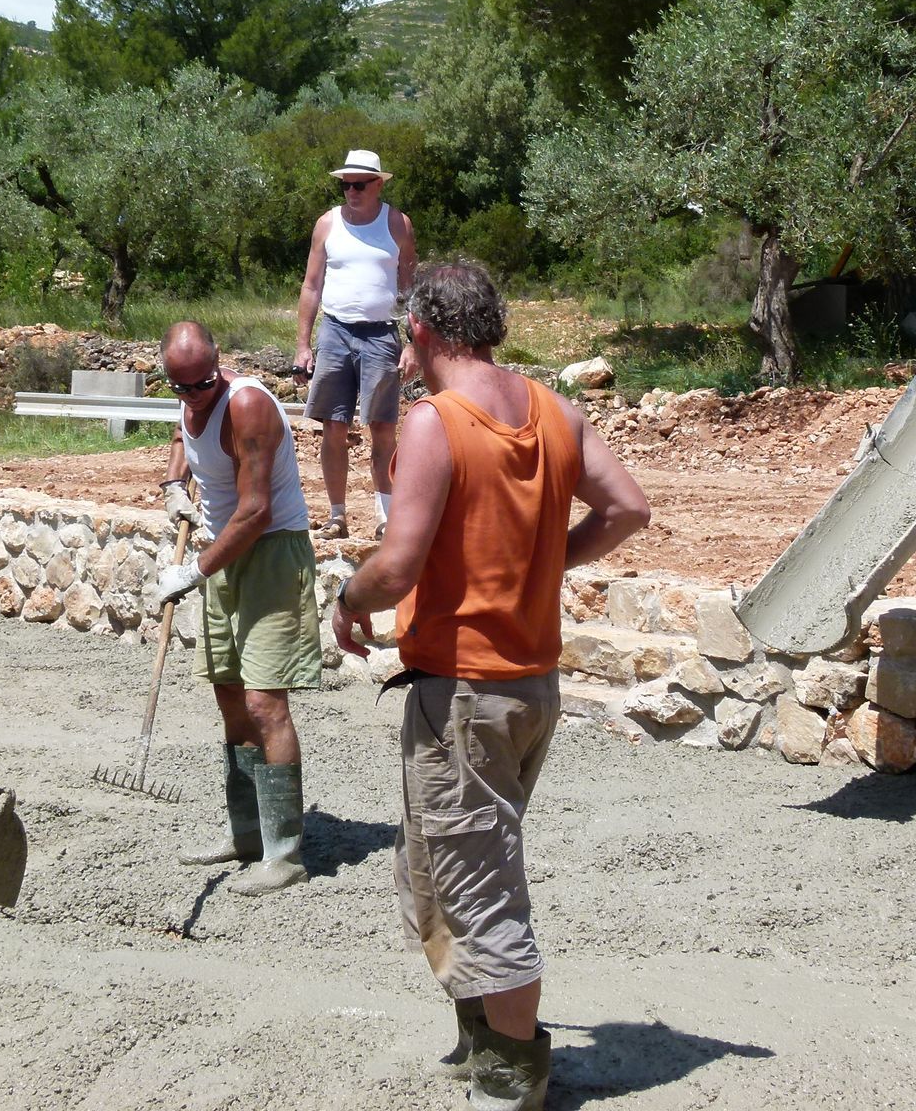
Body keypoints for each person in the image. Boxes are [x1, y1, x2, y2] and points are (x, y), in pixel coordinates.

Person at [333, 260, 650, 1111]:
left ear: (423, 333)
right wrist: (545, 568)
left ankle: (512, 1080)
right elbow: (626, 509)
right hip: (528, 687)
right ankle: (483, 1045)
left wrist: (346, 598)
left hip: (465, 695)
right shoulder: (556, 411)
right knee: (439, 865)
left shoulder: (435, 423)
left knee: (481, 888)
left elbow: (396, 566)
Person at [155, 320, 322, 896]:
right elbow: (183, 437)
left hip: (270, 551)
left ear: (218, 363)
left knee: (263, 700)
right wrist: (173, 484)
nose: (192, 397)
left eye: (202, 385)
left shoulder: (247, 404)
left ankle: (285, 853)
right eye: (180, 388)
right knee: (228, 695)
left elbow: (256, 512)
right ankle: (246, 831)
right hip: (222, 551)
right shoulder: (186, 400)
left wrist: (193, 571)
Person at [294, 148, 417, 539]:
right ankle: (337, 516)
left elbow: (410, 287)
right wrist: (303, 344)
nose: (351, 191)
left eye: (359, 184)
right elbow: (312, 285)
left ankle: (386, 517)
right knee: (333, 424)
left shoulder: (397, 223)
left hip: (381, 333)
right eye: (346, 184)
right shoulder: (327, 224)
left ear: (378, 184)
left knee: (381, 426)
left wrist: (413, 344)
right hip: (335, 330)